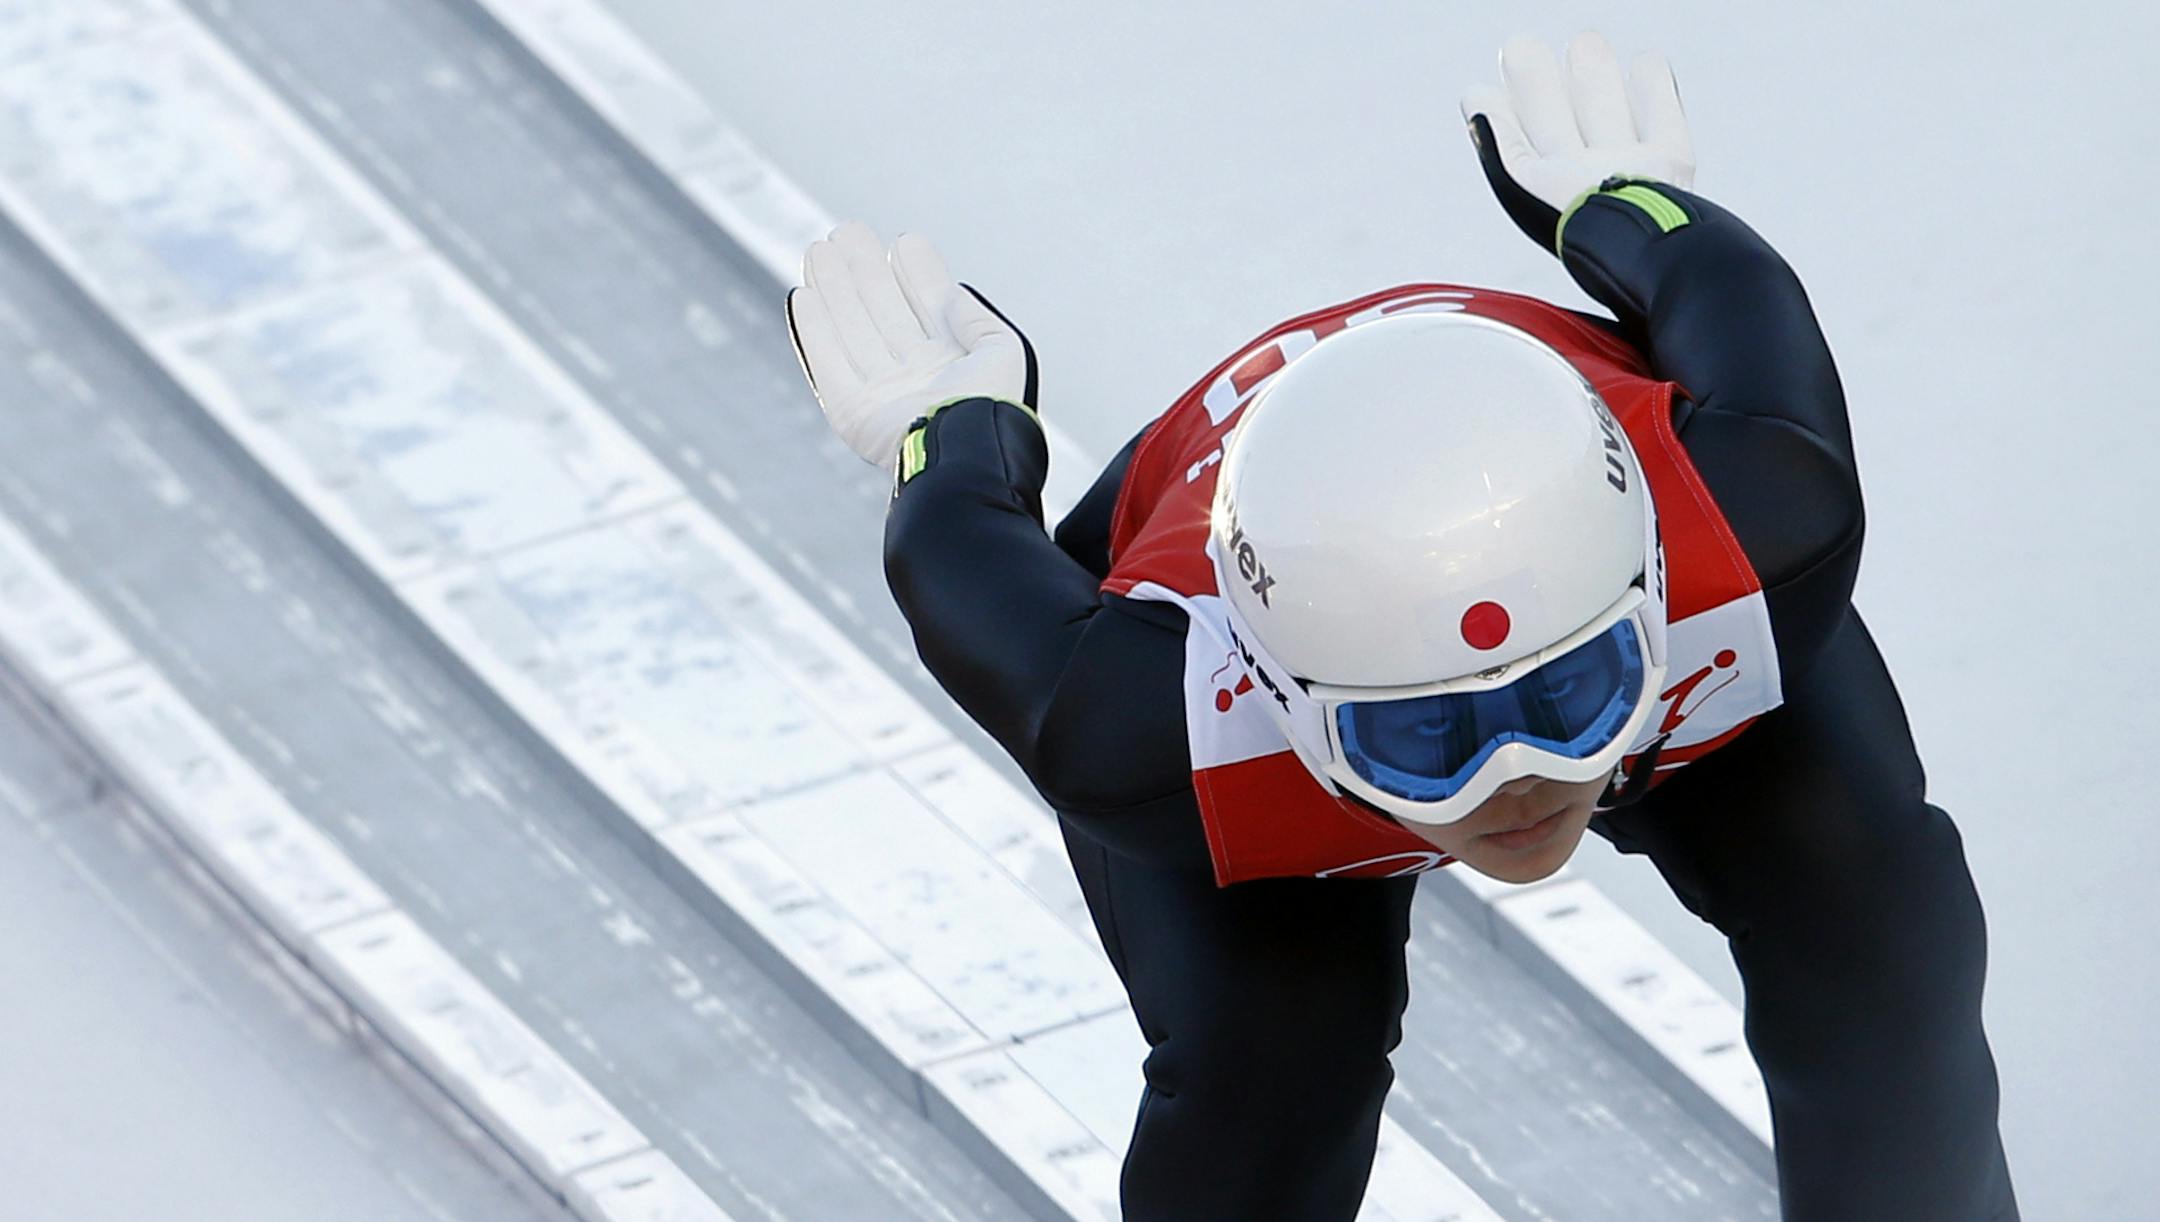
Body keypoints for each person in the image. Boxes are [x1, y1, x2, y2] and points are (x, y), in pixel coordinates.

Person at [786, 32, 2018, 1222]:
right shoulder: (1147, 720)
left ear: (1652, 597)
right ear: (1279, 697)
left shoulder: (1761, 530)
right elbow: (1725, 289)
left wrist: (959, 434)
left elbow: (955, 542)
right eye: (1429, 739)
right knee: (1273, 1068)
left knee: (1882, 933)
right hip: (1501, 648)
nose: (1521, 788)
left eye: (1571, 697)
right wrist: (1614, 208)